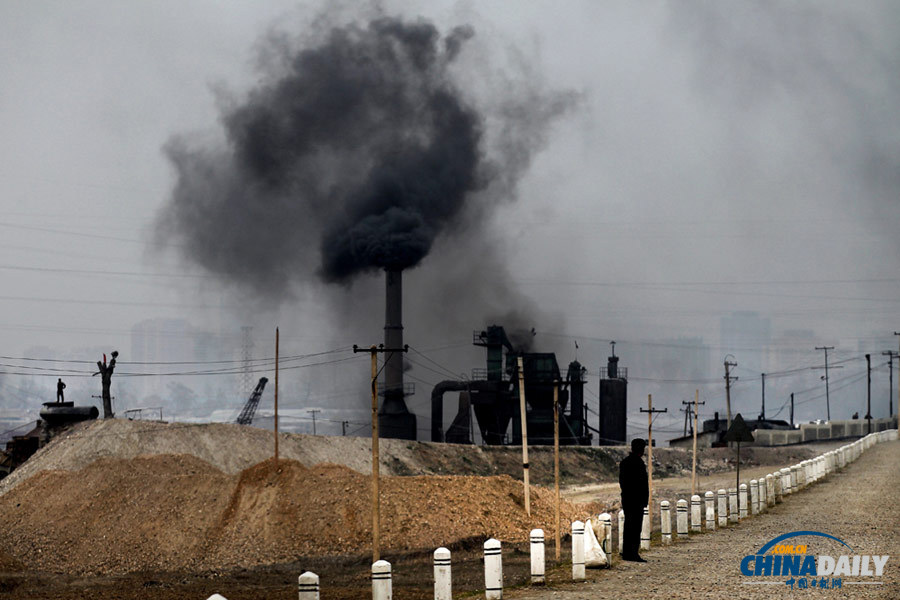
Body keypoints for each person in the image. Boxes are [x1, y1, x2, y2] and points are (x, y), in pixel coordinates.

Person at [619, 438, 649, 562]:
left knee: (628, 526)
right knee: (636, 527)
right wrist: (644, 499)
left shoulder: (624, 462)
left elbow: (622, 482)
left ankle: (627, 553)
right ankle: (633, 553)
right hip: (637, 500)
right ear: (641, 449)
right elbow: (642, 484)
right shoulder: (639, 463)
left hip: (627, 499)